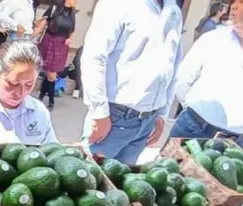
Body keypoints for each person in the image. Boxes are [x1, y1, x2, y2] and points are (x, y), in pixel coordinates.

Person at [80, 0, 183, 164]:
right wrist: (99, 112)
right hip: (113, 118)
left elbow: (173, 67)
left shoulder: (173, 11)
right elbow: (94, 58)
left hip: (147, 122)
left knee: (121, 184)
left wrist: (162, 114)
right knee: (90, 181)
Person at [170, 0, 243, 139]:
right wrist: (196, 113)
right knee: (169, 162)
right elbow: (183, 80)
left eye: (241, 2)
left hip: (236, 142)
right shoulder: (214, 39)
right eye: (234, 2)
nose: (234, 6)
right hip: (193, 128)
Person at [37, 0, 76, 110]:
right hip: (50, 41)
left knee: (51, 72)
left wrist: (70, 38)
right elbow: (42, 24)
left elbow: (72, 29)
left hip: (61, 45)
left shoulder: (72, 13)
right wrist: (31, 36)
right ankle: (51, 101)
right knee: (51, 73)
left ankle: (41, 95)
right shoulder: (54, 8)